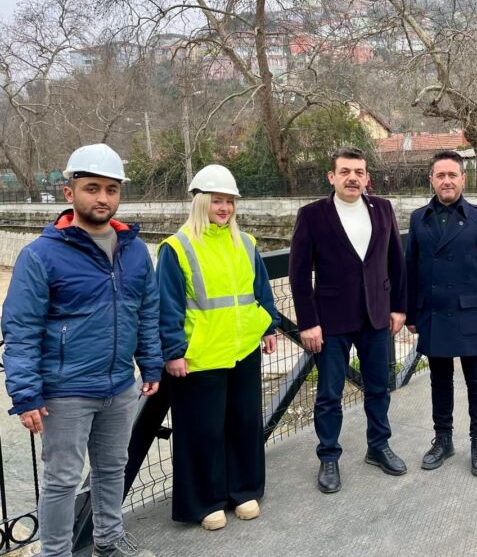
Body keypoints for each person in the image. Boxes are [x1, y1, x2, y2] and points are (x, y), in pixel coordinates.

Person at [1, 143, 161, 557]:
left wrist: (151, 364)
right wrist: (26, 393)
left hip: (120, 385)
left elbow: (146, 311)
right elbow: (21, 328)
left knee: (112, 467)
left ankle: (108, 540)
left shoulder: (134, 250)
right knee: (61, 479)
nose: (102, 198)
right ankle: (56, 553)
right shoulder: (41, 255)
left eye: (111, 189)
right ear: (70, 193)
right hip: (65, 391)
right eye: (92, 188)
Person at [156, 164, 279, 531]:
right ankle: (206, 501)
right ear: (200, 202)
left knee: (244, 423)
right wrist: (173, 351)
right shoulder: (177, 247)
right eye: (217, 201)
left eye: (229, 201)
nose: (224, 208)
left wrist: (268, 327)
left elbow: (261, 290)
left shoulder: (246, 243)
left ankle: (244, 490)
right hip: (201, 354)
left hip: (243, 349)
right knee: (203, 430)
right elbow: (167, 304)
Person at [289, 147, 407, 494]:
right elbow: (298, 274)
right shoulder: (312, 215)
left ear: (367, 177)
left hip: (376, 315)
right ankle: (328, 457)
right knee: (329, 394)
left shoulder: (382, 208)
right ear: (332, 177)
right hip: (331, 321)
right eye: (345, 172)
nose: (352, 178)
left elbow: (396, 261)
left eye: (358, 172)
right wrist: (307, 323)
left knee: (379, 387)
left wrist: (399, 307)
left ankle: (378, 446)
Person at [405, 150, 477, 476]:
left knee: (476, 380)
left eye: (452, 175)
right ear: (431, 180)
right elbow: (410, 270)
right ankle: (443, 440)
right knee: (439, 380)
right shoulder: (418, 219)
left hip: (469, 314)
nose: (446, 181)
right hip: (433, 313)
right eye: (440, 175)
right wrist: (410, 314)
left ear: (463, 178)